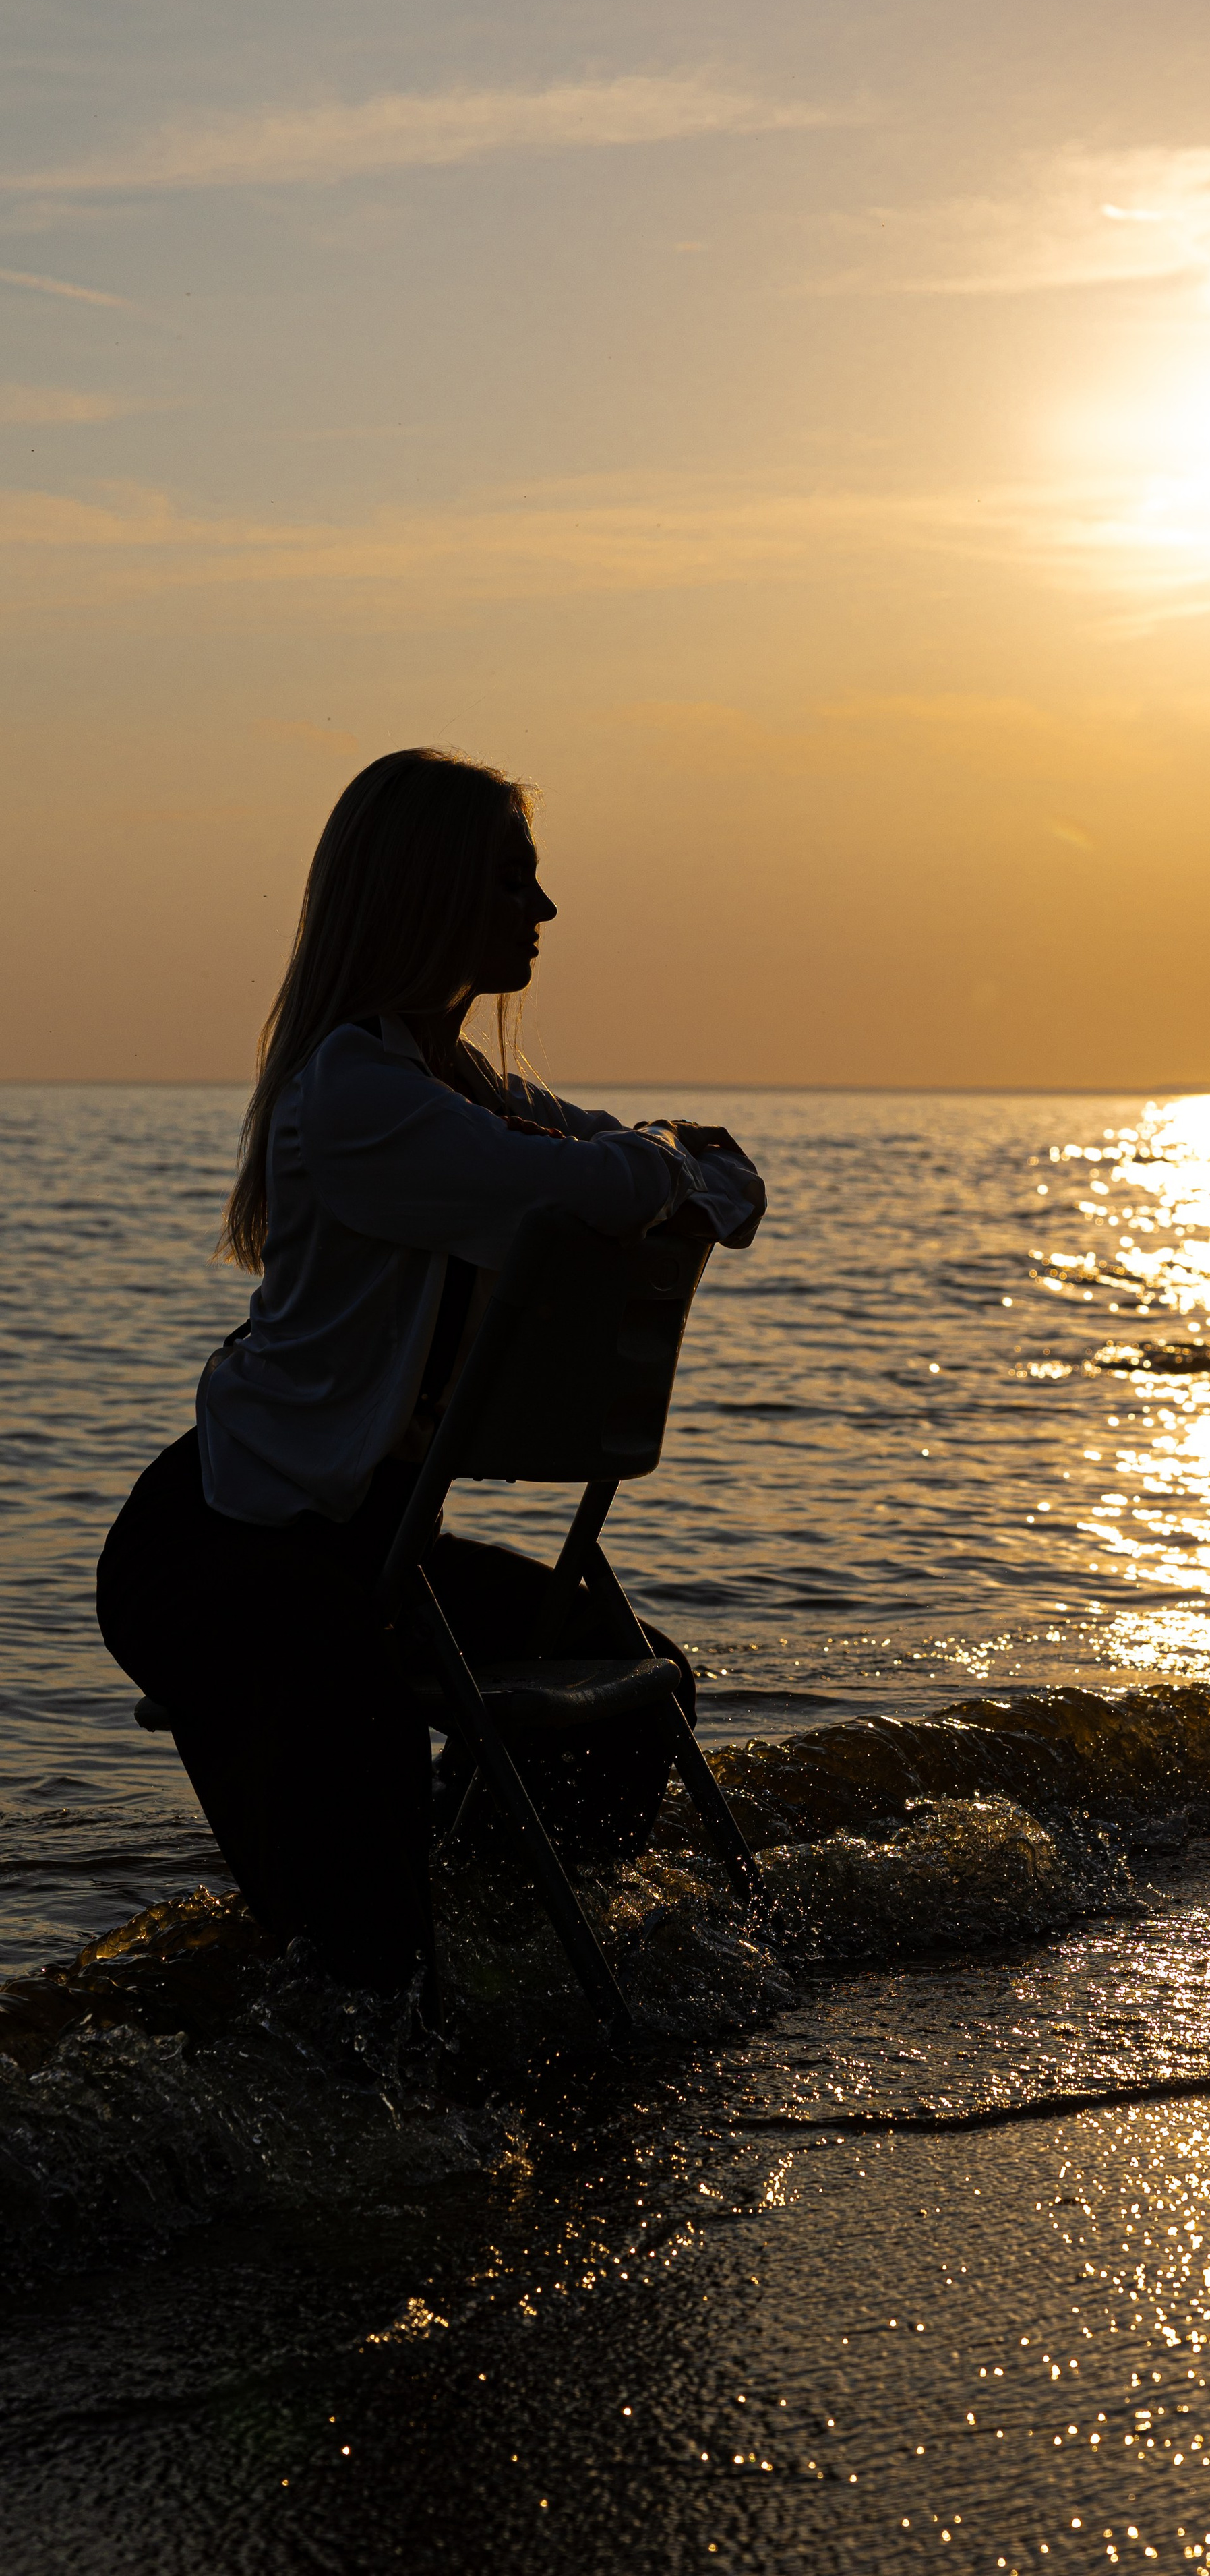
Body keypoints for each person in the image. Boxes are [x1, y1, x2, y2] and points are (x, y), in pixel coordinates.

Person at [96, 746, 764, 2006]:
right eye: (517, 883)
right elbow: (613, 1179)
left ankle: (498, 1978)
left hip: (367, 1551)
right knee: (363, 1903)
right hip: (224, 1550)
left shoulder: (456, 1089)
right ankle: (364, 2049)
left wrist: (663, 1159)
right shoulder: (359, 1095)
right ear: (432, 892)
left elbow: (718, 1179)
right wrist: (664, 1158)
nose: (546, 913)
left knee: (624, 1702)